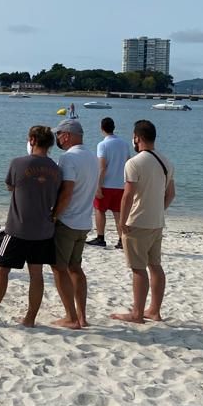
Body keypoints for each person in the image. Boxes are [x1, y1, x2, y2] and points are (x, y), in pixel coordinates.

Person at [0, 126, 61, 327]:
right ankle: (29, 320)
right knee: (36, 274)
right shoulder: (56, 169)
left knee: (0, 271)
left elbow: (10, 186)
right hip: (43, 230)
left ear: (33, 140)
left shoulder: (19, 163)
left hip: (17, 228)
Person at [111, 120, 175, 324]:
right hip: (156, 221)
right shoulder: (166, 162)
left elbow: (128, 195)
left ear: (137, 138)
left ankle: (137, 313)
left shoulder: (134, 163)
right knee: (155, 265)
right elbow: (171, 193)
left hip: (137, 221)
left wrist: (122, 222)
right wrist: (158, 209)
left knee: (138, 269)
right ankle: (154, 310)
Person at [49, 119, 99, 330]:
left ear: (67, 135)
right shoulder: (92, 157)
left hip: (68, 221)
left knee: (59, 268)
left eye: (59, 135)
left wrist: (54, 216)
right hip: (84, 221)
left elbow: (67, 191)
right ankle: (81, 315)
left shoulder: (68, 158)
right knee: (75, 268)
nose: (57, 139)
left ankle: (71, 317)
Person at [88, 117, 131, 249]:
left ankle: (101, 237)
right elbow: (129, 162)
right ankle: (120, 239)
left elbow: (102, 167)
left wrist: (98, 186)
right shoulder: (124, 144)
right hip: (121, 184)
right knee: (118, 212)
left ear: (102, 128)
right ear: (114, 127)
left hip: (107, 184)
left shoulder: (102, 145)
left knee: (99, 210)